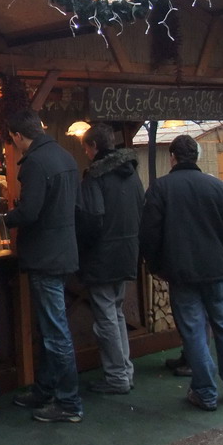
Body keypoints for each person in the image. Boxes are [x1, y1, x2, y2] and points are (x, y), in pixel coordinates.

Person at [140, 134, 223, 412]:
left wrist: (156, 266)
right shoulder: (217, 187)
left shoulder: (160, 188)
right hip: (215, 269)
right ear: (197, 156)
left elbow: (149, 234)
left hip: (181, 271)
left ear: (173, 157)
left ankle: (205, 391)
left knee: (193, 333)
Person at [4, 109, 83, 423]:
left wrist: (2, 220)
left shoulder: (35, 163)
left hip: (45, 255)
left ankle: (69, 402)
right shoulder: (65, 156)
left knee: (54, 332)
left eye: (13, 141)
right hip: (64, 251)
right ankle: (45, 389)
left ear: (18, 136)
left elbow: (30, 212)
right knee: (52, 328)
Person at [75, 123, 144, 395]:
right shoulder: (132, 174)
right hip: (127, 251)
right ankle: (124, 371)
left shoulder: (94, 177)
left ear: (92, 147)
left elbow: (90, 218)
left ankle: (117, 376)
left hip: (102, 255)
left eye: (85, 148)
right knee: (115, 314)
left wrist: (81, 248)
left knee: (107, 318)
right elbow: (142, 208)